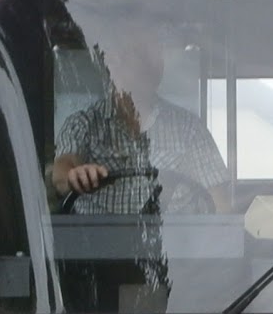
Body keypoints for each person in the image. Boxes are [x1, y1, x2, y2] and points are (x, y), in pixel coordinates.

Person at [51, 39, 228, 215]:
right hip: (97, 233)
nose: (152, 65)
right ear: (112, 64)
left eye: (155, 56)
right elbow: (61, 173)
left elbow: (220, 205)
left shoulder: (189, 128)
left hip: (174, 233)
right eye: (139, 55)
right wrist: (76, 176)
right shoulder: (83, 124)